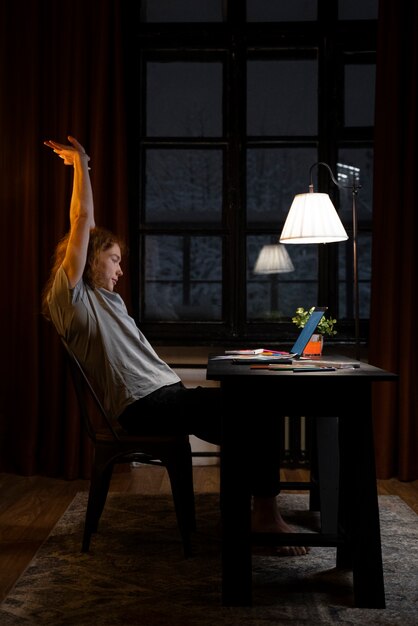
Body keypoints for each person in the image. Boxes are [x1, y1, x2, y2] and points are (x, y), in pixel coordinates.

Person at [42, 135, 309, 556]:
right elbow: (81, 221)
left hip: (165, 396)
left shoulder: (108, 300)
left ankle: (250, 510)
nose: (121, 270)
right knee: (254, 413)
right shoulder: (72, 299)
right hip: (143, 406)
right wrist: (82, 166)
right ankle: (262, 515)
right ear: (90, 258)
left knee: (255, 413)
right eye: (114, 259)